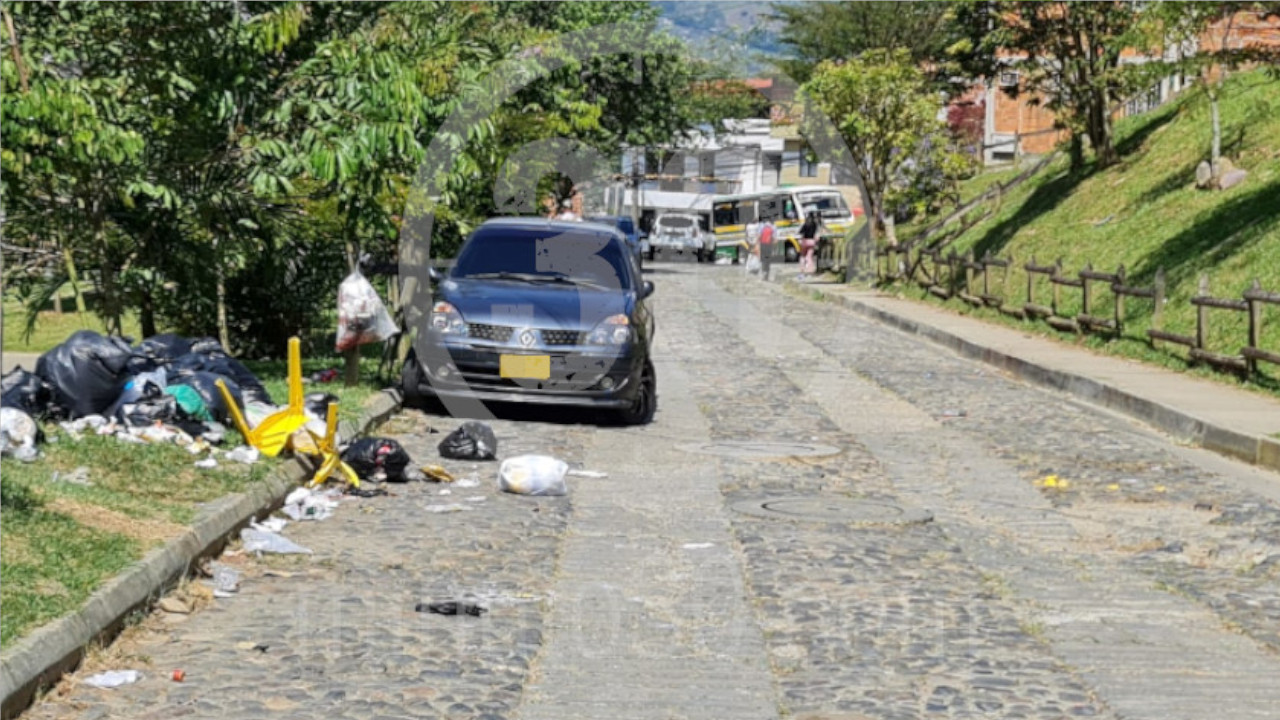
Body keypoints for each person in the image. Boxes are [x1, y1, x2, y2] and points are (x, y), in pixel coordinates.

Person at [798, 210, 822, 278]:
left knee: (802, 256)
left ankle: (802, 270)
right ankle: (809, 271)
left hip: (804, 242)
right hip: (812, 242)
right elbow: (817, 232)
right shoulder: (815, 224)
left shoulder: (805, 224)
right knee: (809, 256)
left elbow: (800, 232)